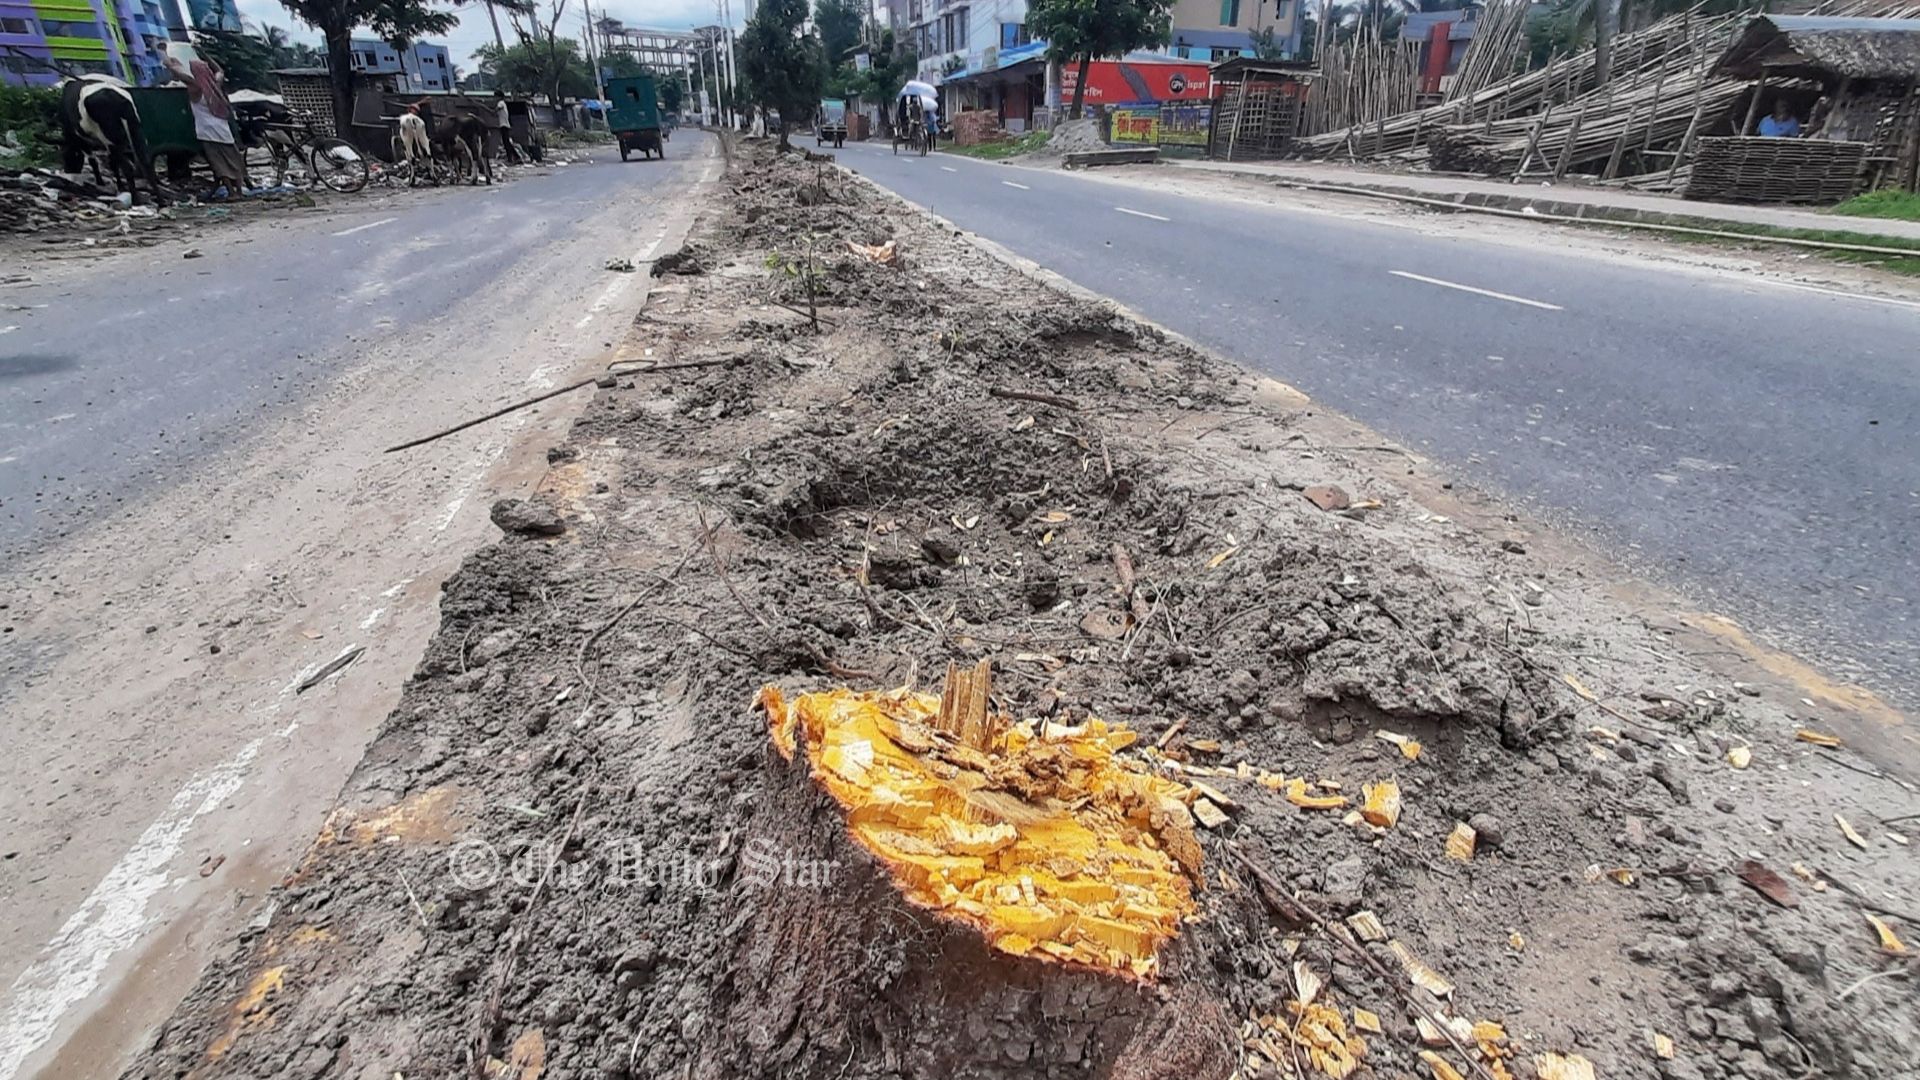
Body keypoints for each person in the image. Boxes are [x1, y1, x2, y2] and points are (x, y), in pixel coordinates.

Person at [162, 43, 247, 195]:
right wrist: (204, 54)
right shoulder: (215, 83)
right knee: (233, 160)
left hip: (206, 131)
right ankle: (239, 190)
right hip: (223, 129)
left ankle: (231, 193)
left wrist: (163, 52)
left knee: (219, 163)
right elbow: (220, 70)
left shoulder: (195, 87)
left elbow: (174, 70)